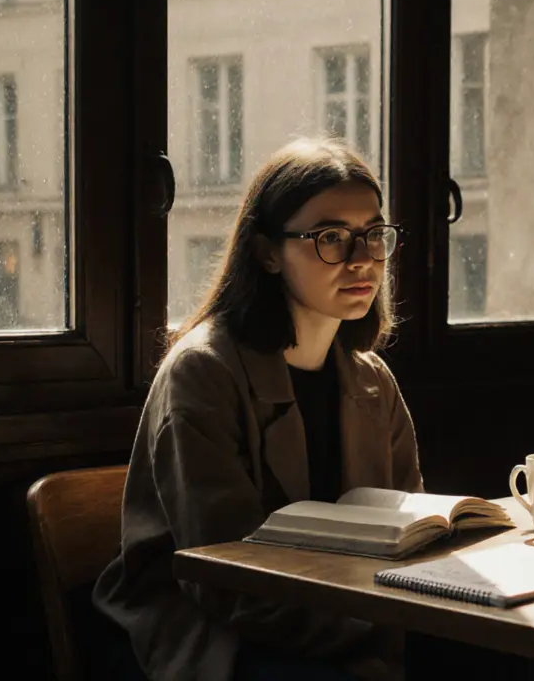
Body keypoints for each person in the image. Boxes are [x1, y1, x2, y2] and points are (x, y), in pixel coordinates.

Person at [92, 138, 422, 681]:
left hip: (352, 617)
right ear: (267, 253)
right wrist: (365, 631)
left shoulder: (371, 380)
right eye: (331, 237)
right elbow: (225, 576)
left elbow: (414, 536)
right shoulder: (202, 372)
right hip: (213, 632)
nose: (363, 259)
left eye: (373, 234)